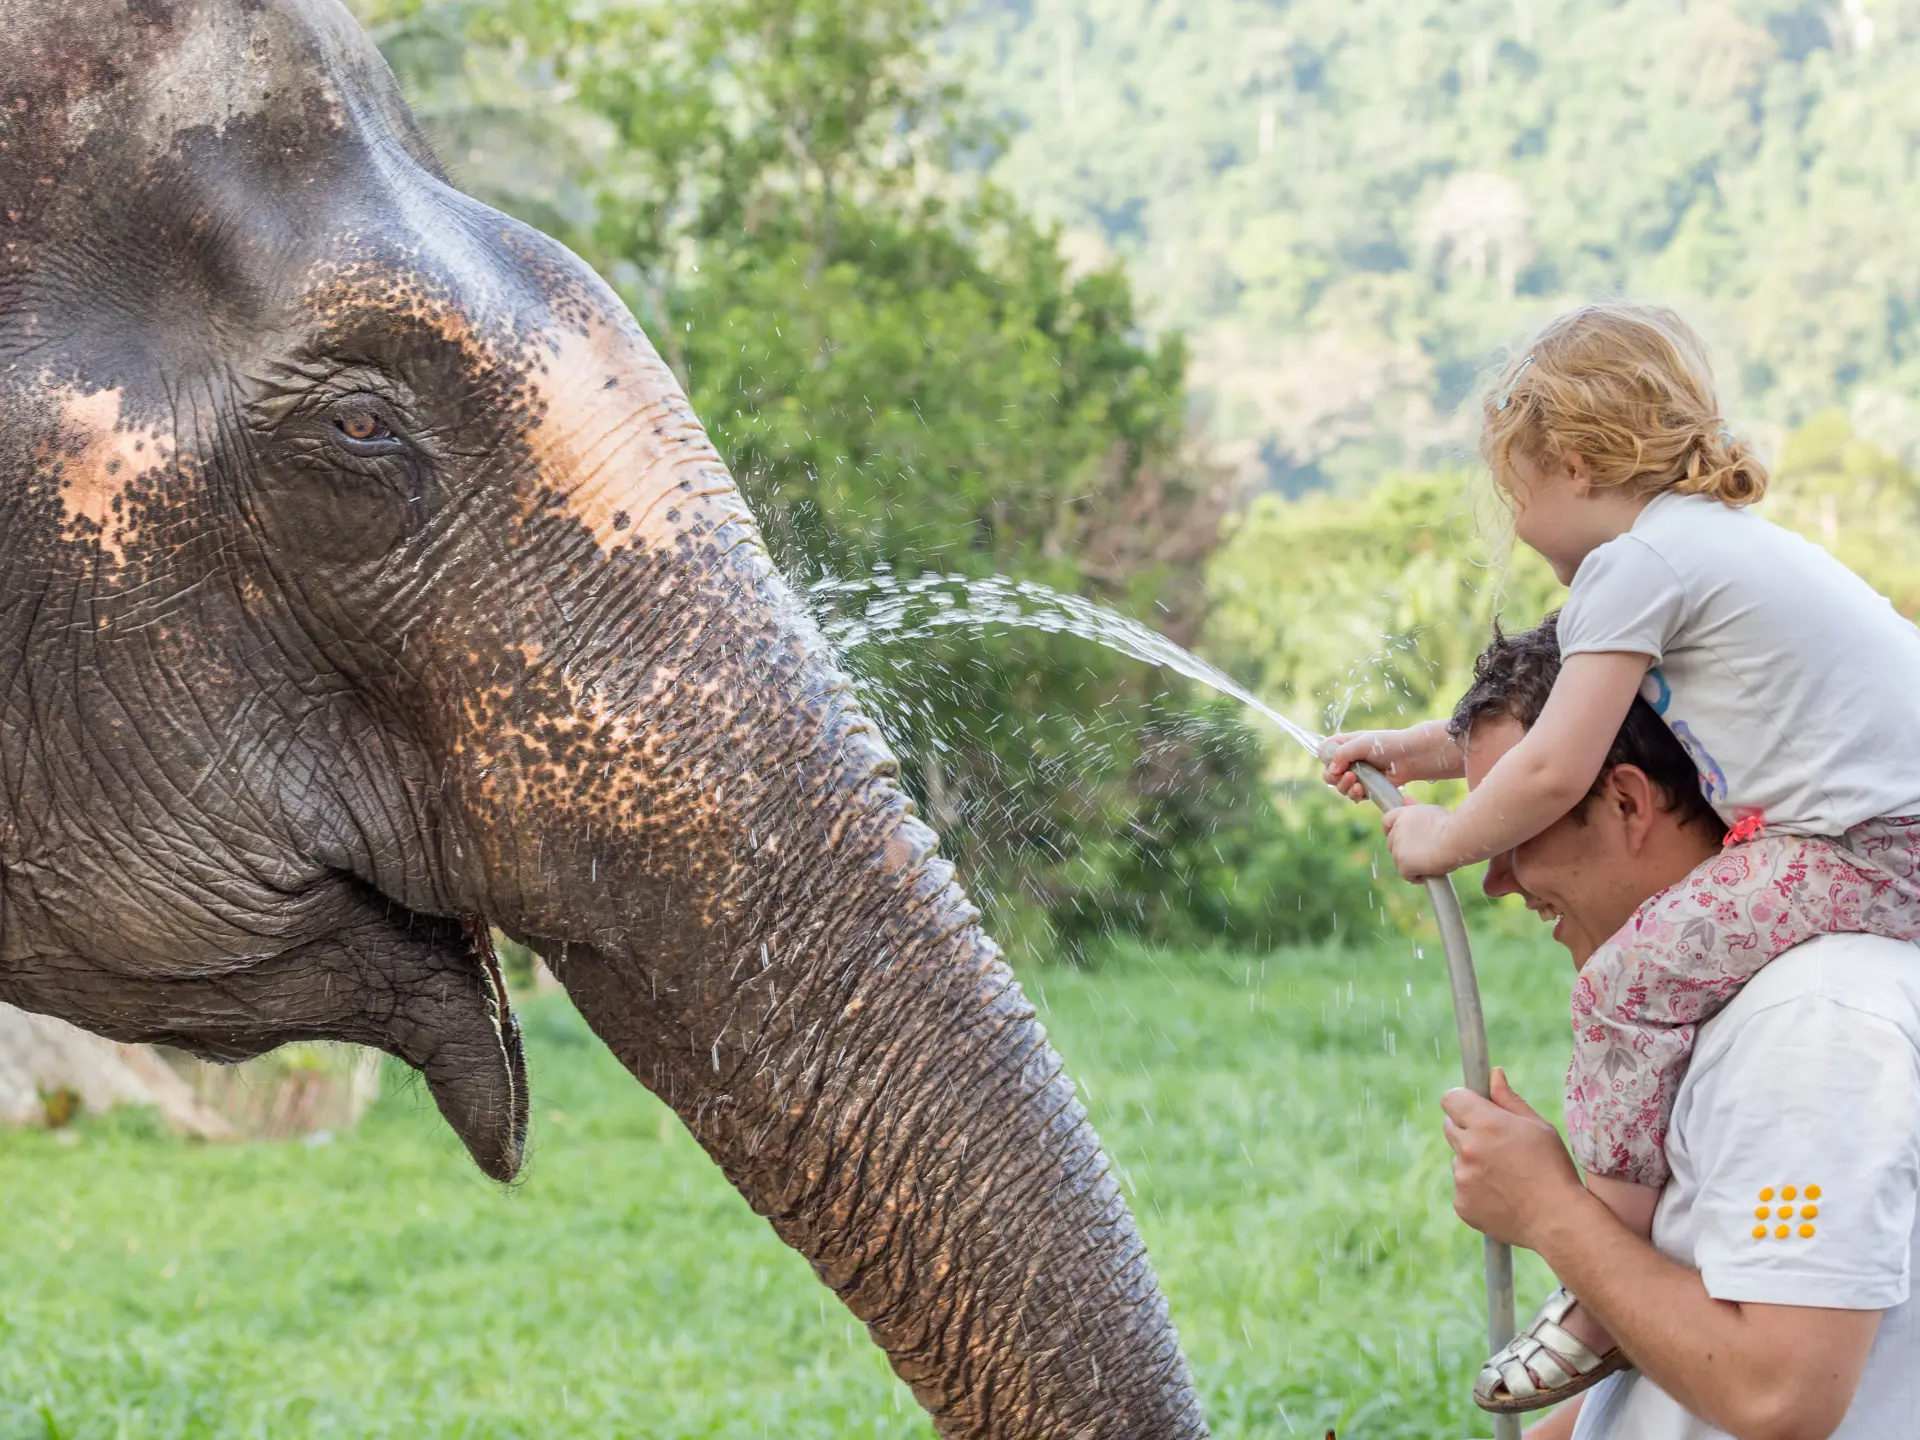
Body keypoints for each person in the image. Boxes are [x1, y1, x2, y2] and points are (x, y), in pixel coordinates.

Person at [1322, 302, 1920, 1411]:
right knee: (1648, 984)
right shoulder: (1704, 546)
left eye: (1515, 495)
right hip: (1887, 838)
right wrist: (1416, 751)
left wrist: (1442, 836)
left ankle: (1598, 1287)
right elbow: (1559, 735)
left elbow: (1555, 769)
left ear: (1576, 463)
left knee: (1624, 988)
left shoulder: (1636, 563)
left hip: (1871, 849)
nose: (1520, 531)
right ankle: (1609, 1271)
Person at [1437, 618, 1920, 1439]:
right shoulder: (1720, 1005)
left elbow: (1779, 1394)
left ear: (1627, 802)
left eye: (1512, 828)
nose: (1495, 878)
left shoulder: (1812, 1021)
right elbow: (1685, 1331)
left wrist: (1550, 1210)